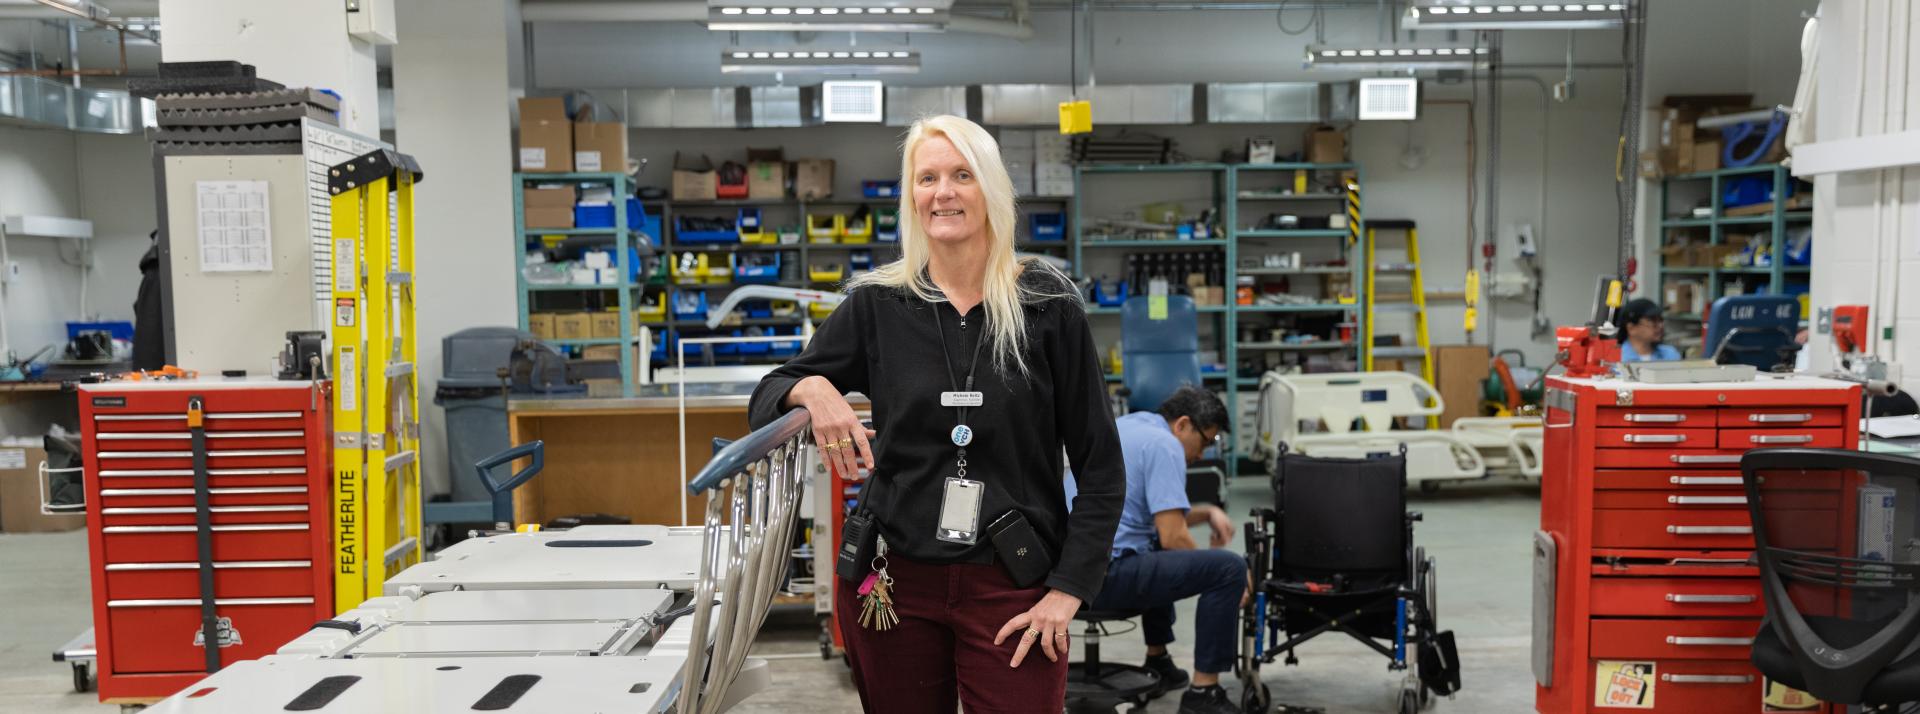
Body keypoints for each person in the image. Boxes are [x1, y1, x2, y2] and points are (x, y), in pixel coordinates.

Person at [749, 114, 1125, 714]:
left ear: (991, 189)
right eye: (926, 178)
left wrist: (1069, 590)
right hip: (891, 581)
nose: (942, 192)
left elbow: (1101, 468)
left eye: (961, 175)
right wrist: (816, 390)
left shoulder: (1048, 308)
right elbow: (772, 389)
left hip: (1013, 584)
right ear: (911, 195)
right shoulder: (878, 305)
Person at [1065, 386, 1248, 714]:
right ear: (1182, 425)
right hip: (1101, 579)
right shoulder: (1165, 445)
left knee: (1149, 546)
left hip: (1069, 572)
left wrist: (1207, 512)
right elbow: (1173, 537)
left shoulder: (1131, 425)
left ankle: (1158, 659)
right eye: (1205, 441)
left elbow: (1156, 516)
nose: (1203, 454)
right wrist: (1223, 576)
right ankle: (1203, 694)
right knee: (1227, 569)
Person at [1617, 298, 1682, 362]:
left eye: (1661, 320)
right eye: (1652, 320)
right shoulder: (1617, 357)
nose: (1660, 326)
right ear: (1631, 328)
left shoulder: (1670, 354)